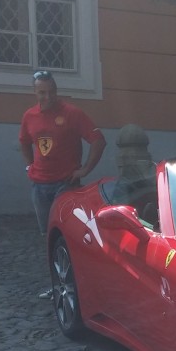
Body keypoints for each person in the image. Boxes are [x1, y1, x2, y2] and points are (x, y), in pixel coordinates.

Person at [19, 70, 106, 297]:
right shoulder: (29, 116)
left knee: (67, 235)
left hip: (65, 184)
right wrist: (30, 166)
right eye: (41, 93)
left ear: (56, 91)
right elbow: (24, 142)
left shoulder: (72, 114)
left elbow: (98, 140)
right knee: (48, 237)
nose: (46, 97)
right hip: (40, 185)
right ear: (35, 92)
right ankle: (58, 283)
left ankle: (76, 284)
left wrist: (85, 169)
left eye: (50, 92)